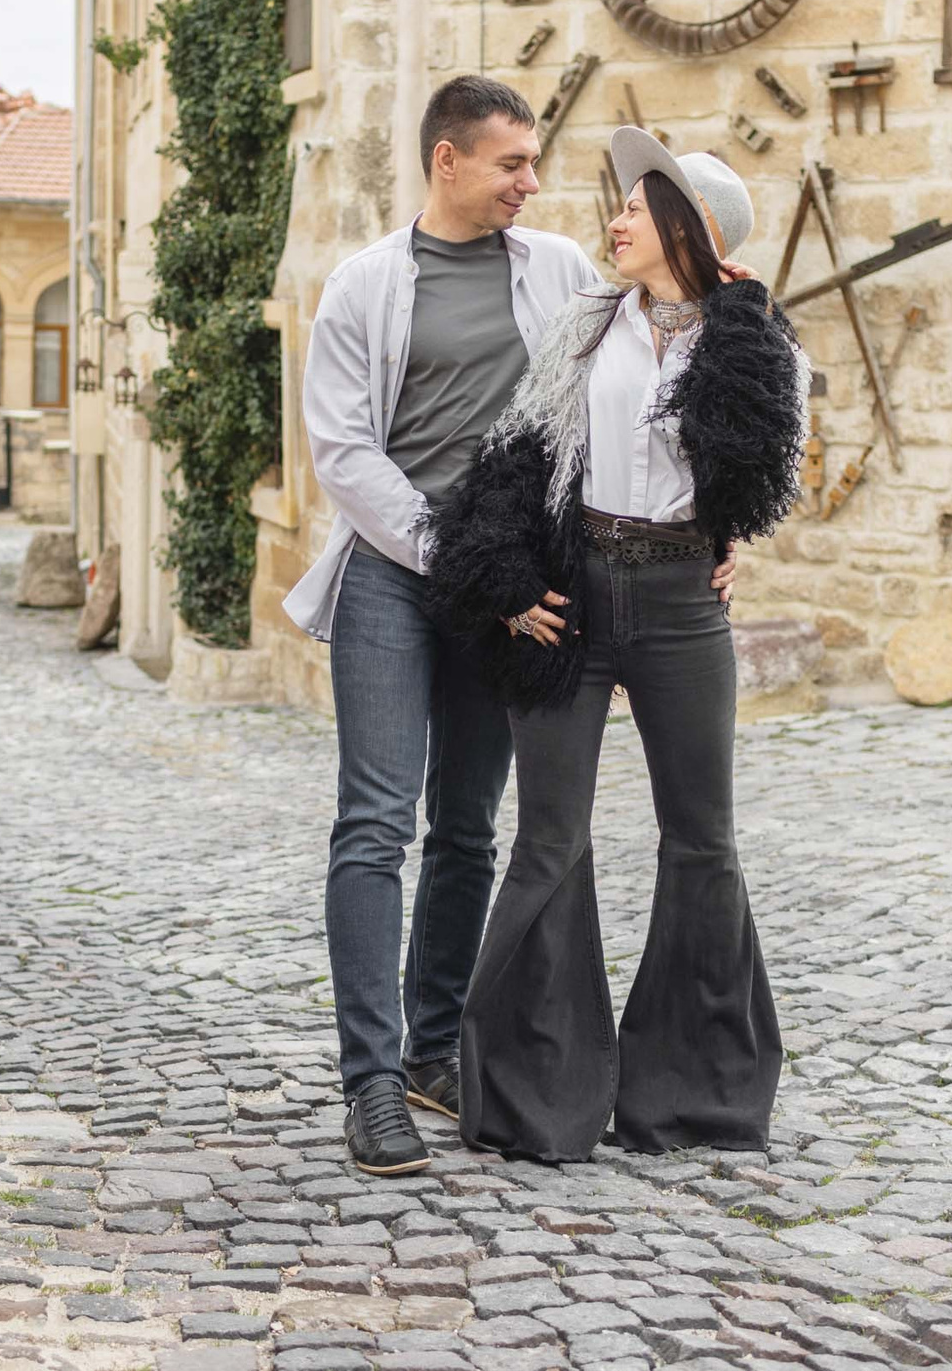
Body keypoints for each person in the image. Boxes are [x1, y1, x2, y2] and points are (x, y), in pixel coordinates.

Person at [284, 79, 737, 1176]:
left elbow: (668, 365)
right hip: (400, 578)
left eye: (534, 163)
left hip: (520, 590)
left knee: (470, 829)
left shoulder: (564, 273)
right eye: (511, 165)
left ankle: (438, 1050)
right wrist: (460, 564)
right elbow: (343, 454)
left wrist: (710, 531)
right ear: (447, 161)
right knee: (377, 822)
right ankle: (372, 1085)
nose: (532, 184)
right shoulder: (364, 287)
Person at [422, 126, 812, 1162]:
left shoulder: (753, 344)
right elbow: (518, 456)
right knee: (549, 839)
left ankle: (693, 1095)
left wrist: (729, 543)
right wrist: (508, 583)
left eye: (638, 206)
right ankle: (529, 1098)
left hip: (684, 601)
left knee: (702, 840)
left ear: (688, 227)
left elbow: (761, 469)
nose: (617, 218)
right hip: (576, 593)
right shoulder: (584, 327)